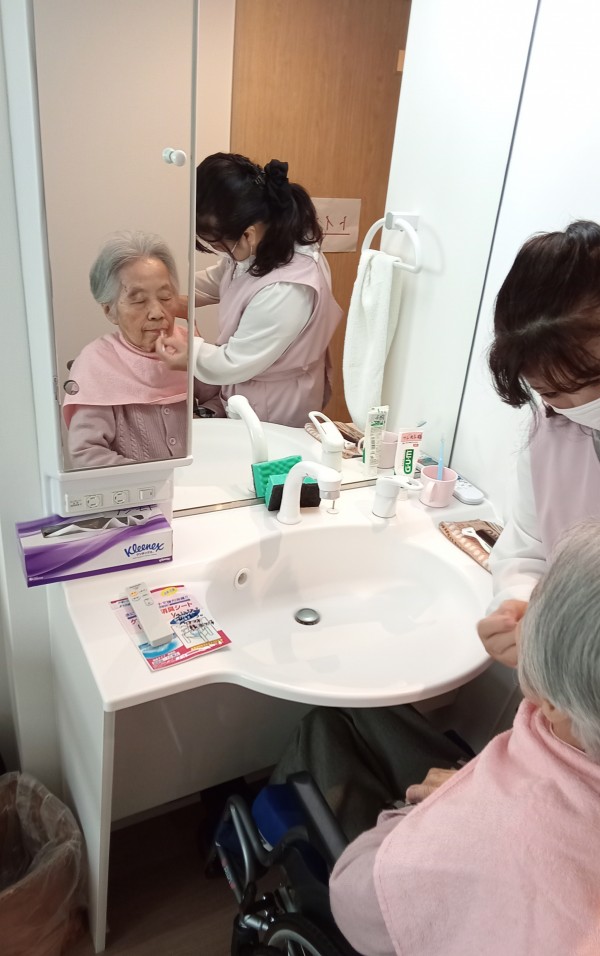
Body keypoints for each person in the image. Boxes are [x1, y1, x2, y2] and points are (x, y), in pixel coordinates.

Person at [329, 521, 600, 956]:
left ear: (554, 703)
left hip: (374, 890)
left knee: (328, 728)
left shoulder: (502, 831)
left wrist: (426, 813)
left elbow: (353, 899)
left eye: (540, 602)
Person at [476, 219, 600, 667]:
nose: (578, 406)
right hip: (565, 675)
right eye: (550, 392)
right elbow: (528, 547)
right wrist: (518, 606)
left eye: (592, 382)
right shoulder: (550, 434)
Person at [156, 152, 343, 426]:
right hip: (249, 384)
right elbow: (225, 277)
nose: (218, 251)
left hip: (275, 404)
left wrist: (190, 355)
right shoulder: (263, 242)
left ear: (247, 235)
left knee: (264, 451)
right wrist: (167, 294)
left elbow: (235, 360)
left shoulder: (287, 290)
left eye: (217, 245)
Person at [63, 231, 189, 467]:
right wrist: (151, 480)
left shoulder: (189, 345)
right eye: (139, 301)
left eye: (165, 297)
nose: (157, 313)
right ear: (109, 311)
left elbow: (220, 402)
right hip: (140, 490)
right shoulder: (96, 363)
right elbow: (87, 453)